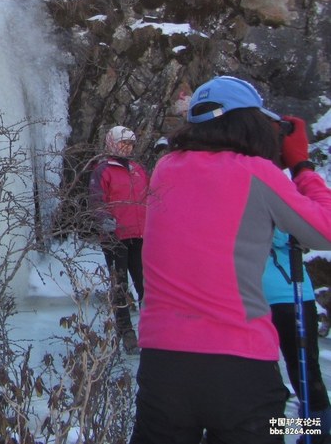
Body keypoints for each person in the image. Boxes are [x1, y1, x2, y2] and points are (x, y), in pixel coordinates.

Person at [130, 76, 331, 444]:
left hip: (164, 364)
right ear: (251, 122)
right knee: (296, 407)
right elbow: (325, 230)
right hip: (241, 362)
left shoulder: (165, 169)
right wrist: (301, 165)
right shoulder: (258, 174)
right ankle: (318, 429)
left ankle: (316, 426)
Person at [263, 229, 331, 442]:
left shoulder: (276, 198)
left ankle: (316, 434)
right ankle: (272, 431)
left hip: (290, 295)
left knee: (305, 372)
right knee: (259, 373)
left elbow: (298, 232)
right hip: (247, 298)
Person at [89, 125, 149, 354]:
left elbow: (151, 196)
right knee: (120, 285)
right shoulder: (102, 170)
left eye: (130, 143)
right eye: (122, 142)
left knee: (146, 285)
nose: (127, 147)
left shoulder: (138, 169)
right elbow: (96, 199)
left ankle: (151, 330)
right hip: (115, 238)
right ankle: (127, 333)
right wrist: (104, 218)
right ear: (112, 143)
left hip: (140, 235)